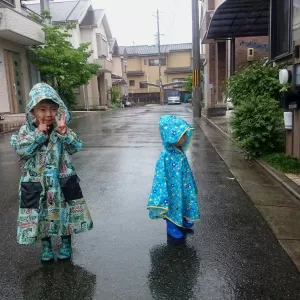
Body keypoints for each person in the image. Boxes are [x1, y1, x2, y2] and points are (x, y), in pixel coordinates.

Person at [10, 83, 93, 262]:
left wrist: (65, 133)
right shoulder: (25, 131)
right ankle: (46, 246)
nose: (48, 114)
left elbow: (76, 146)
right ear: (32, 111)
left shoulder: (60, 129)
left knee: (65, 213)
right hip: (36, 184)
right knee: (40, 214)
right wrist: (38, 134)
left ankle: (66, 243)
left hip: (61, 182)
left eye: (53, 109)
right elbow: (21, 150)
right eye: (42, 109)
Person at [147, 115, 200, 239]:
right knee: (172, 204)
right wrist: (162, 191)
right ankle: (171, 225)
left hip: (182, 186)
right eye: (182, 135)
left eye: (185, 134)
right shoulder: (166, 156)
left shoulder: (179, 151)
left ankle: (181, 219)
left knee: (183, 201)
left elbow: (185, 169)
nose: (186, 138)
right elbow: (160, 176)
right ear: (171, 136)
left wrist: (189, 183)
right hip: (171, 190)